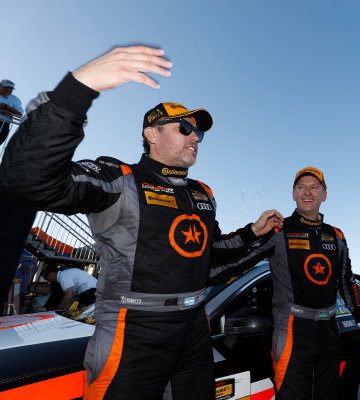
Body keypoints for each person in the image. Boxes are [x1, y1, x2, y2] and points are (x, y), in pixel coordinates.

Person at [0, 46, 283, 400]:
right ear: (151, 133)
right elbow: (25, 178)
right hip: (132, 331)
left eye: (199, 132)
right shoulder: (119, 178)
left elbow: (210, 256)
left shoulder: (203, 193)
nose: (195, 137)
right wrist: (78, 88)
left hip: (195, 331)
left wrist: (252, 233)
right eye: (185, 128)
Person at [216, 167, 360, 399]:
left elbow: (346, 281)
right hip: (292, 330)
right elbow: (238, 263)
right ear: (293, 194)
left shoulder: (336, 235)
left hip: (330, 330)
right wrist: (198, 274)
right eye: (301, 187)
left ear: (324, 194)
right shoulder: (279, 229)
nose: (307, 192)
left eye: (314, 187)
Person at [0, 79, 23, 145]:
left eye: (11, 88)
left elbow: (19, 114)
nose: (8, 89)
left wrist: (5, 106)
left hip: (4, 124)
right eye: (6, 87)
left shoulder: (15, 100)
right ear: (0, 85)